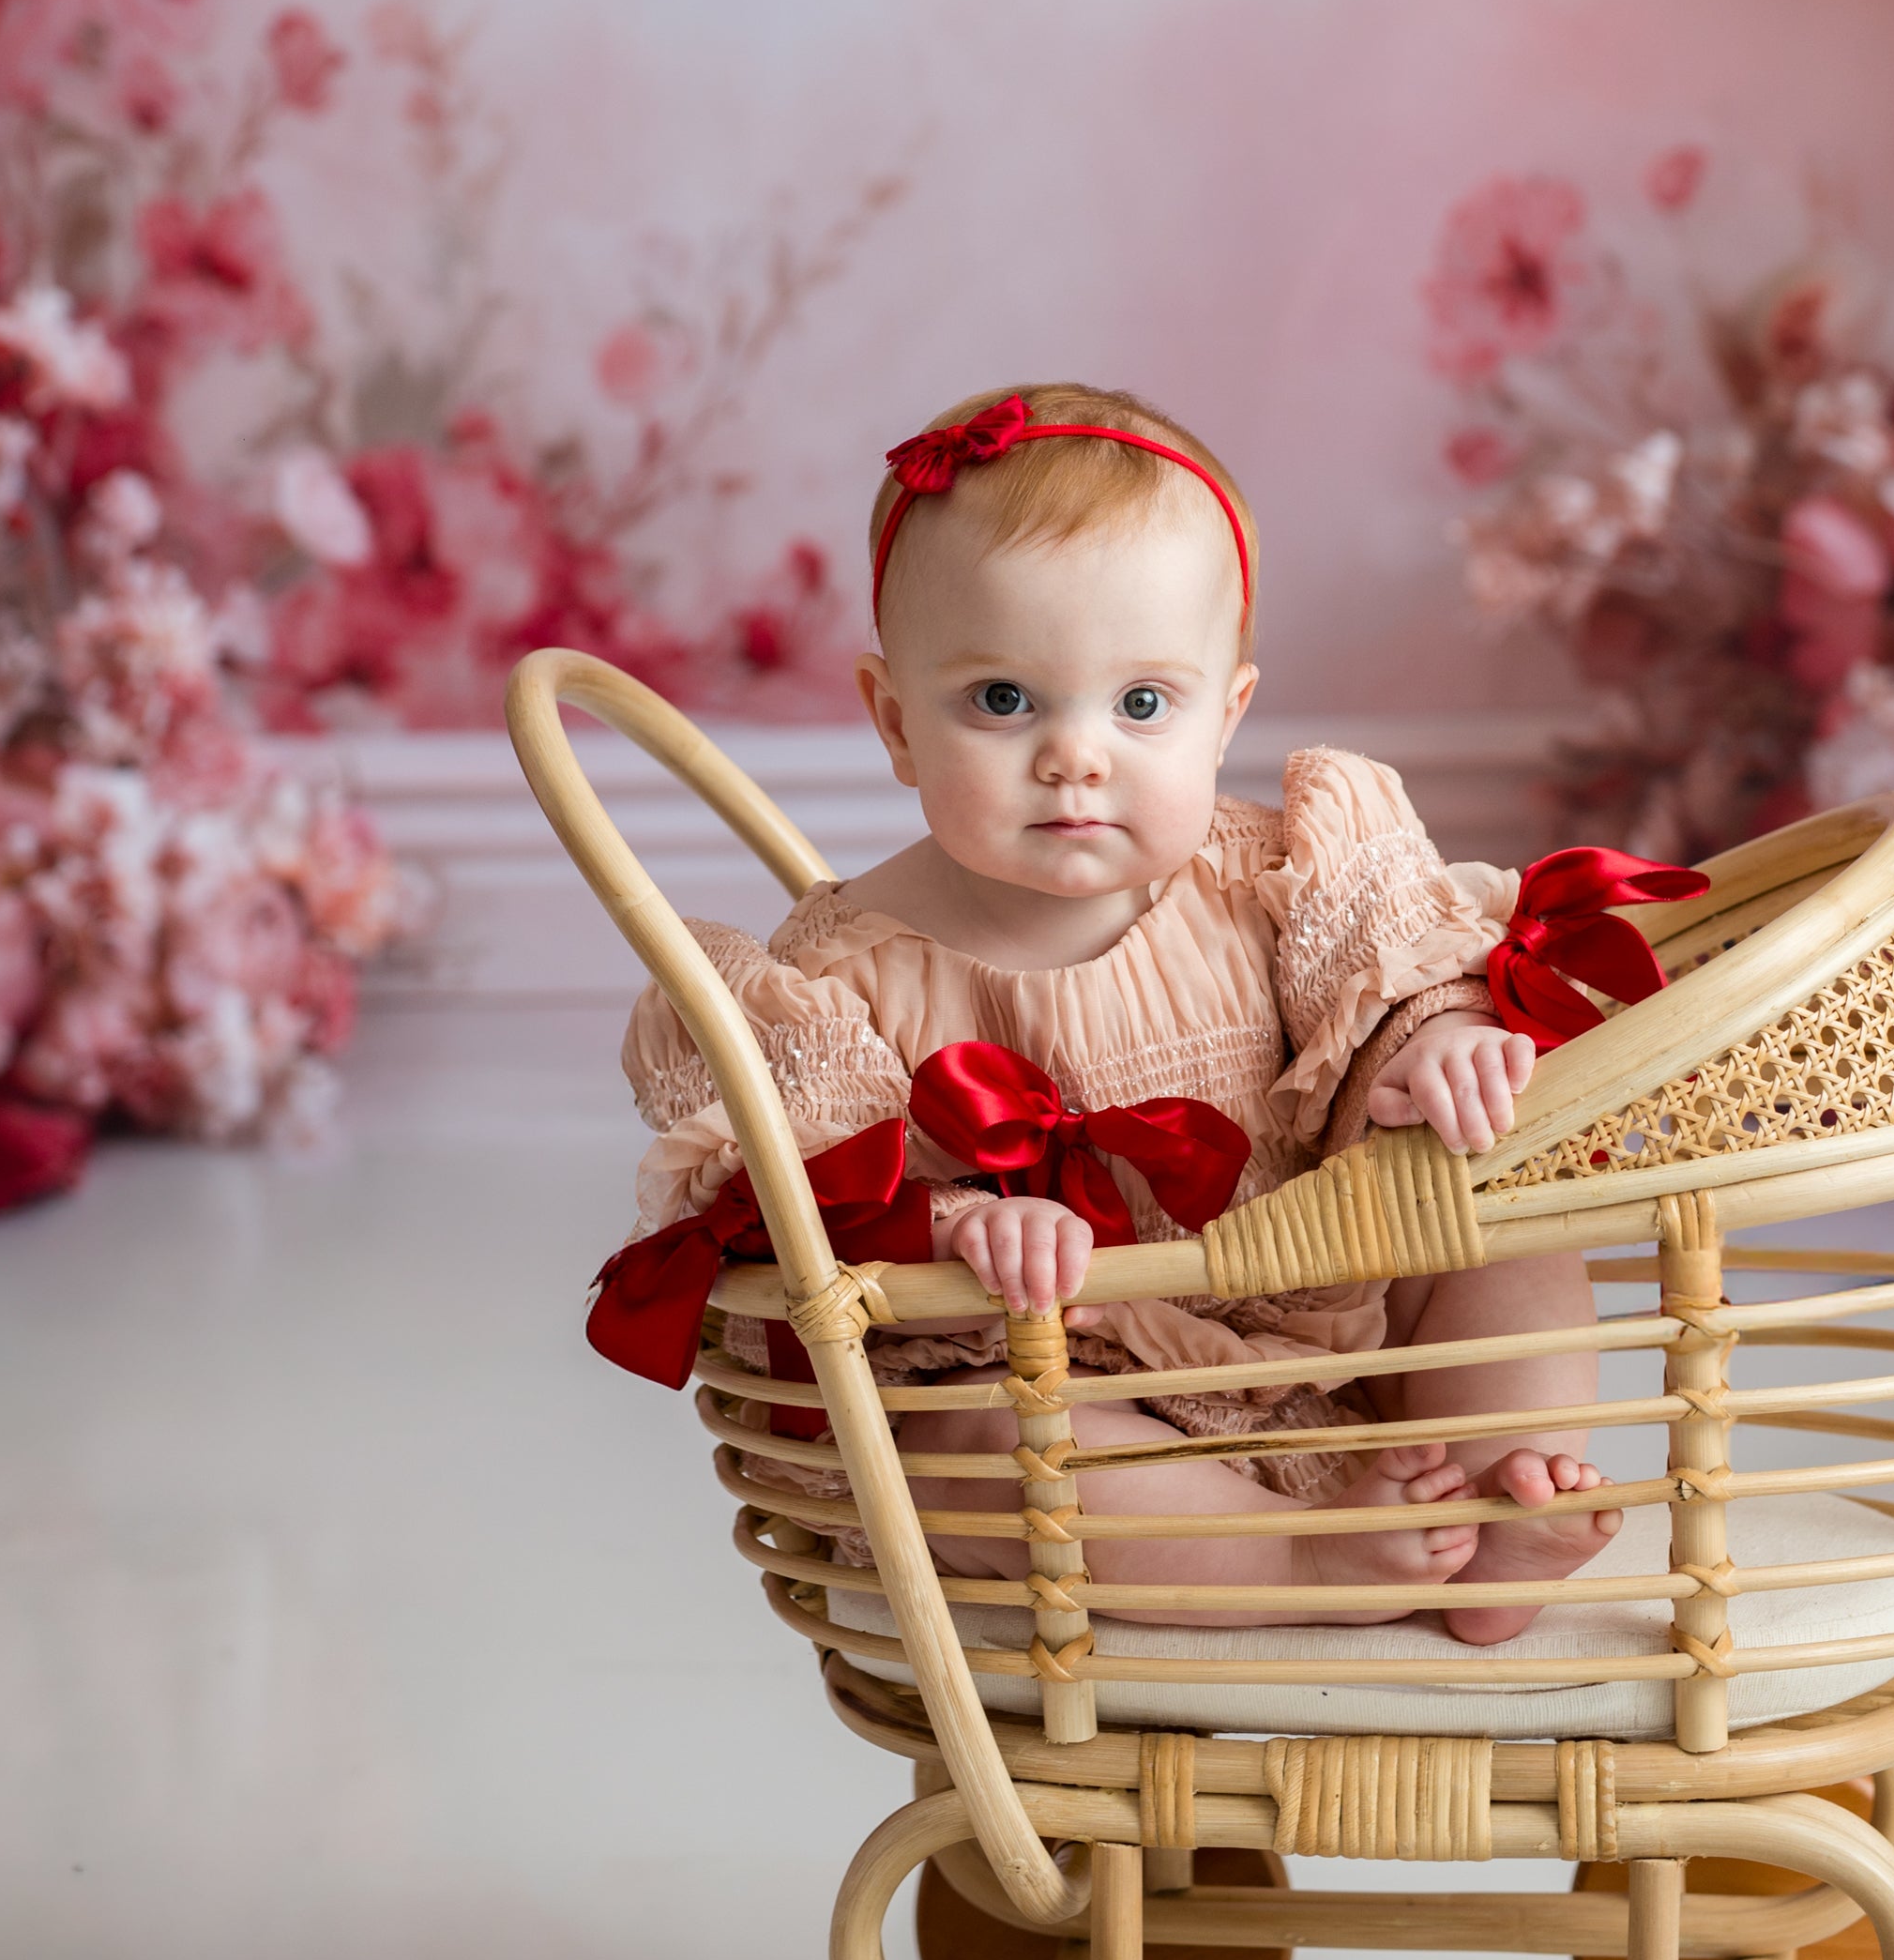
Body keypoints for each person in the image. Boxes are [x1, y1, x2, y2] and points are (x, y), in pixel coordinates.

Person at [624, 383, 1621, 1640]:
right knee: (975, 1446)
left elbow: (1391, 974)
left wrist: (1432, 1045)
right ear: (893, 720)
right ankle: (1303, 1566)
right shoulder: (844, 978)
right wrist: (950, 1227)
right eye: (1003, 700)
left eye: (1142, 704)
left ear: (1227, 715)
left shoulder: (1279, 876)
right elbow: (801, 1203)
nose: (1075, 755)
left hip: (1338, 1332)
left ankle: (1500, 1488)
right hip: (1075, 1381)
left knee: (1510, 1227)